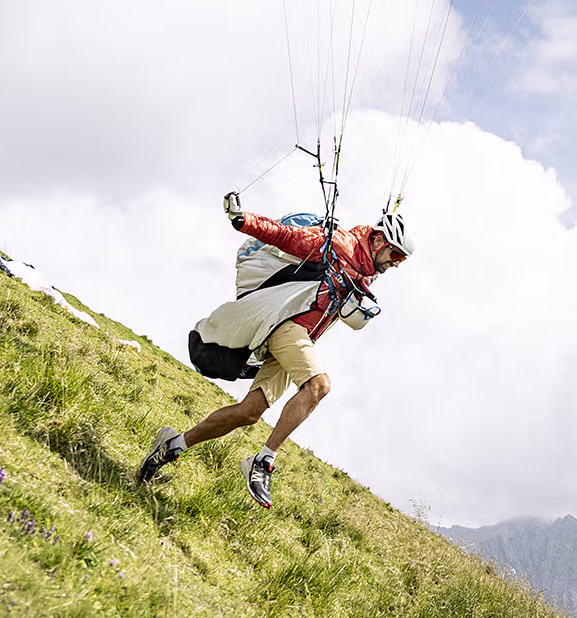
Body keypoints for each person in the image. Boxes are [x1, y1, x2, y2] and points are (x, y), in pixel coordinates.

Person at [138, 192, 414, 509]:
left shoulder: (367, 272)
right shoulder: (337, 244)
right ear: (378, 240)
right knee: (319, 385)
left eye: (402, 260)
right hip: (285, 325)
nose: (395, 264)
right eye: (396, 254)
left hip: (300, 338)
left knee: (248, 413)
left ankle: (170, 446)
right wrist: (243, 220)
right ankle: (263, 461)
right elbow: (285, 236)